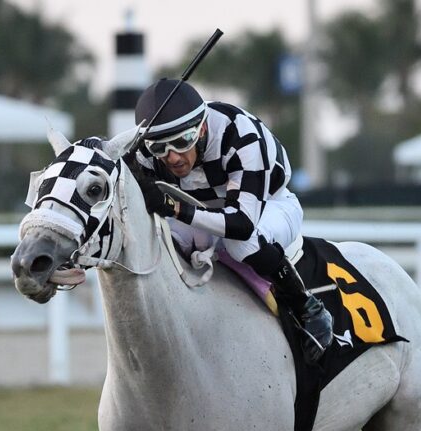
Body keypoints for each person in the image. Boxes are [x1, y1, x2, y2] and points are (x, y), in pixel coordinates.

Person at [126, 78, 332, 362]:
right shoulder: (146, 151)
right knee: (159, 240)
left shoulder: (240, 135)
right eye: (159, 148)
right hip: (203, 211)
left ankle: (309, 308)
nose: (171, 157)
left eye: (181, 142)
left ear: (202, 128)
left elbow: (241, 224)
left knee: (240, 246)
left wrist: (175, 209)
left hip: (268, 206)